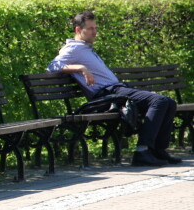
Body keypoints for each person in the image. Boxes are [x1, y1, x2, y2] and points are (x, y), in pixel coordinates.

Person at [47, 10, 181, 167]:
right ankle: (142, 152)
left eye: (95, 28)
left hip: (116, 91)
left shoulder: (85, 48)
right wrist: (81, 68)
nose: (95, 32)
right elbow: (52, 66)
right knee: (159, 101)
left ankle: (158, 150)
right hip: (107, 95)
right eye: (90, 29)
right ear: (78, 30)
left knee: (169, 102)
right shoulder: (73, 48)